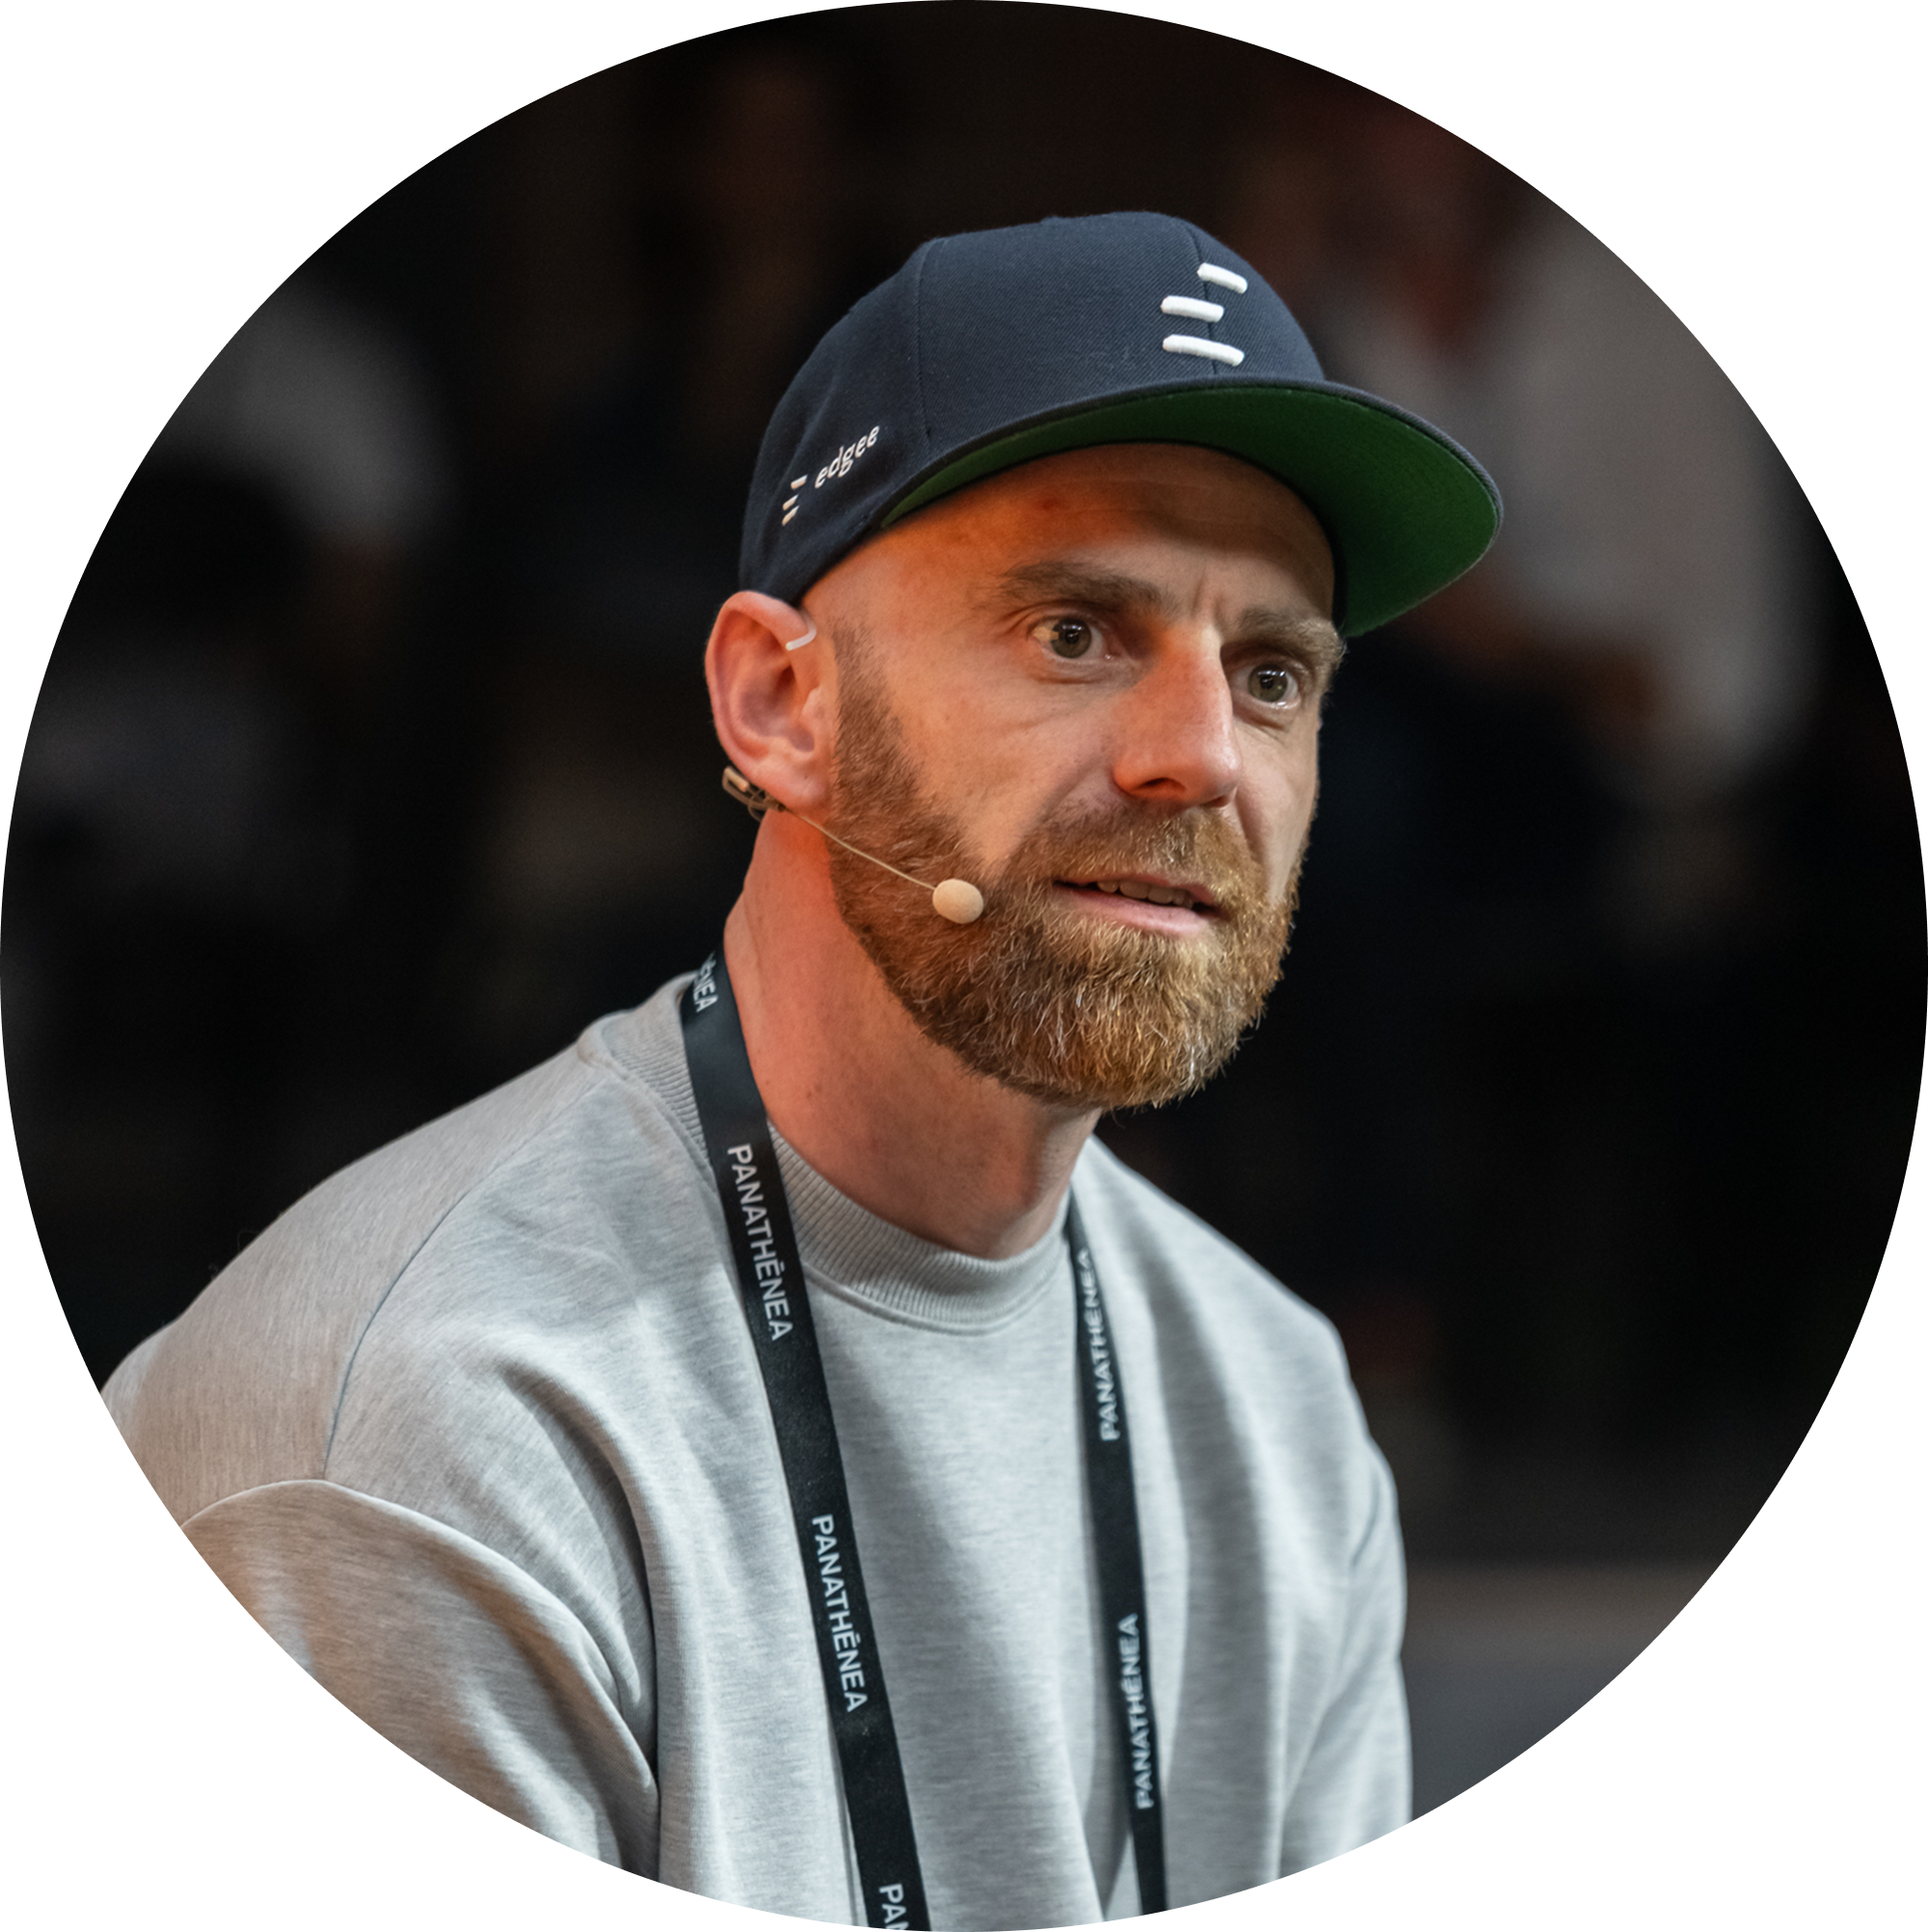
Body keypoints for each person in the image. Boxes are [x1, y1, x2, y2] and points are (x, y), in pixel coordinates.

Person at [101, 212, 1498, 1922]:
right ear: (779, 703)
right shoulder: (422, 1434)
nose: (1203, 756)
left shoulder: (1277, 1412)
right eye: (1075, 632)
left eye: (1273, 673)